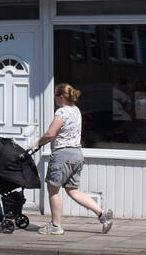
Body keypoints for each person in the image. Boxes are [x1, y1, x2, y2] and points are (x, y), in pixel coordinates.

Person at [29, 84, 113, 235]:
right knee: (73, 190)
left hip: (62, 155)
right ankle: (102, 214)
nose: (55, 98)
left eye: (55, 95)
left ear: (61, 97)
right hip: (77, 154)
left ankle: (55, 226)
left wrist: (37, 143)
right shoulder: (76, 110)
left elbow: (50, 133)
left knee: (53, 190)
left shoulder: (62, 112)